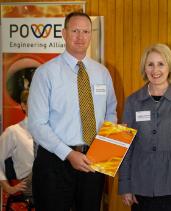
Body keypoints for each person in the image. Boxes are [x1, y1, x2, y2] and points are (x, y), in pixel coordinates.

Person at [28, 12, 117, 211]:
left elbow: (111, 111)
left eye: (86, 31)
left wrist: (106, 149)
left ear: (90, 35)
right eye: (75, 30)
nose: (80, 36)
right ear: (64, 33)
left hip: (93, 161)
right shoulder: (45, 73)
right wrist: (68, 154)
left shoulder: (102, 73)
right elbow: (36, 124)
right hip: (55, 162)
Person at [118, 43, 171, 211]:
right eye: (150, 64)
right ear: (144, 68)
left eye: (161, 64)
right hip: (141, 189)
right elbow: (126, 148)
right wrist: (125, 185)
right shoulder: (132, 102)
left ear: (169, 67)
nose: (155, 70)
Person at [0, 90, 34, 196]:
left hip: (51, 179)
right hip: (31, 182)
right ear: (23, 106)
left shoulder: (50, 133)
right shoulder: (13, 132)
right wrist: (7, 188)